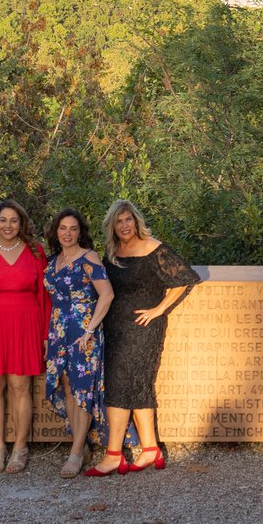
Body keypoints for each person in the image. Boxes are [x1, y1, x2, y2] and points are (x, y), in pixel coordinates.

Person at [85, 199, 199, 477]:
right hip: (115, 328)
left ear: (136, 221)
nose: (124, 225)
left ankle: (113, 455)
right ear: (112, 226)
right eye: (119, 221)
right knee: (137, 386)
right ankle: (150, 449)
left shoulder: (152, 247)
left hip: (142, 328)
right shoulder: (113, 252)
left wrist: (159, 309)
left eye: (128, 220)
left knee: (119, 385)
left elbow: (186, 278)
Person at [0, 198, 48, 474]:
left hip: (25, 324)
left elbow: (44, 296)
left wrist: (44, 334)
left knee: (20, 386)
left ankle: (20, 447)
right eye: (3, 220)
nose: (8, 225)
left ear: (21, 224)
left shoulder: (36, 252)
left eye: (14, 220)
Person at [42, 208, 114, 478]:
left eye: (73, 228)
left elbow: (107, 294)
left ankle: (75, 454)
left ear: (80, 232)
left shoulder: (88, 257)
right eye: (63, 228)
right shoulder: (54, 260)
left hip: (83, 330)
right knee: (68, 385)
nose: (68, 233)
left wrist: (90, 330)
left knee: (82, 388)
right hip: (59, 329)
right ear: (56, 231)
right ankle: (80, 446)